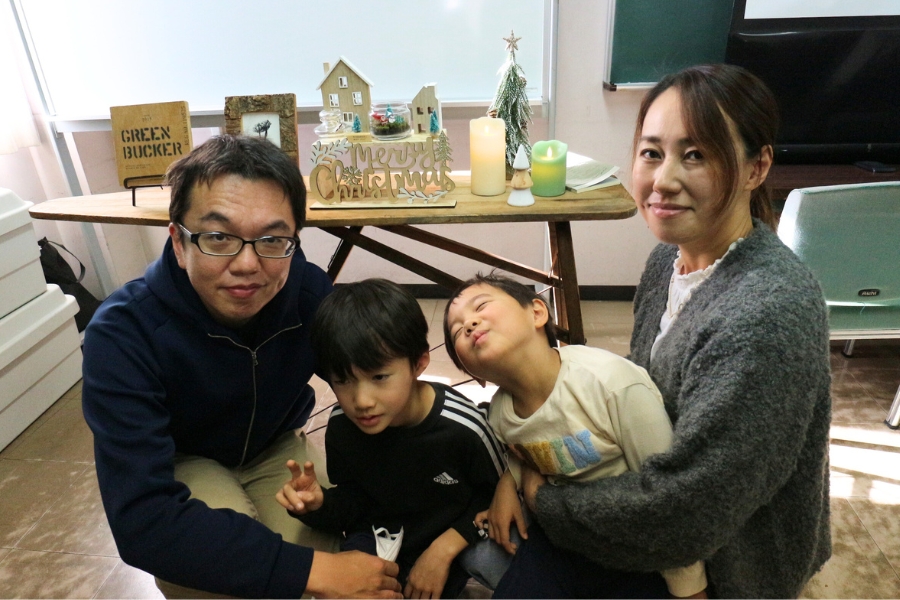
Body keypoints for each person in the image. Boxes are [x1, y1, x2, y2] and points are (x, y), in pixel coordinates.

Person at [517, 64, 833, 598]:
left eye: (696, 155)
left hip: (726, 565)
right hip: (661, 517)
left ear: (757, 167)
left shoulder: (767, 313)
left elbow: (688, 514)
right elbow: (639, 398)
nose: (663, 180)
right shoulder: (668, 260)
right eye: (651, 152)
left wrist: (544, 500)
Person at [82, 135, 402, 599]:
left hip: (277, 446)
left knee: (337, 554)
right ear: (178, 242)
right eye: (218, 237)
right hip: (183, 457)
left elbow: (384, 380)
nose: (248, 264)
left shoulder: (307, 294)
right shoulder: (123, 333)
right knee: (228, 580)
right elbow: (143, 520)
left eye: (272, 239)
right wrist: (314, 572)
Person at [443, 273, 707, 599]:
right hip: (560, 539)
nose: (469, 324)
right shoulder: (500, 414)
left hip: (637, 545)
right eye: (457, 330)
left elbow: (670, 496)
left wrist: (690, 589)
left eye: (481, 306)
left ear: (537, 313)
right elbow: (523, 452)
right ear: (472, 373)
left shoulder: (611, 383)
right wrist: (508, 485)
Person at [276, 278, 506, 599]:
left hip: (453, 541)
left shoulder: (465, 428)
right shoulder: (343, 425)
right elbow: (355, 505)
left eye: (379, 377)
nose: (362, 401)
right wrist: (318, 505)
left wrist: (444, 549)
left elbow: (499, 498)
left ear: (419, 363)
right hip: (378, 537)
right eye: (343, 380)